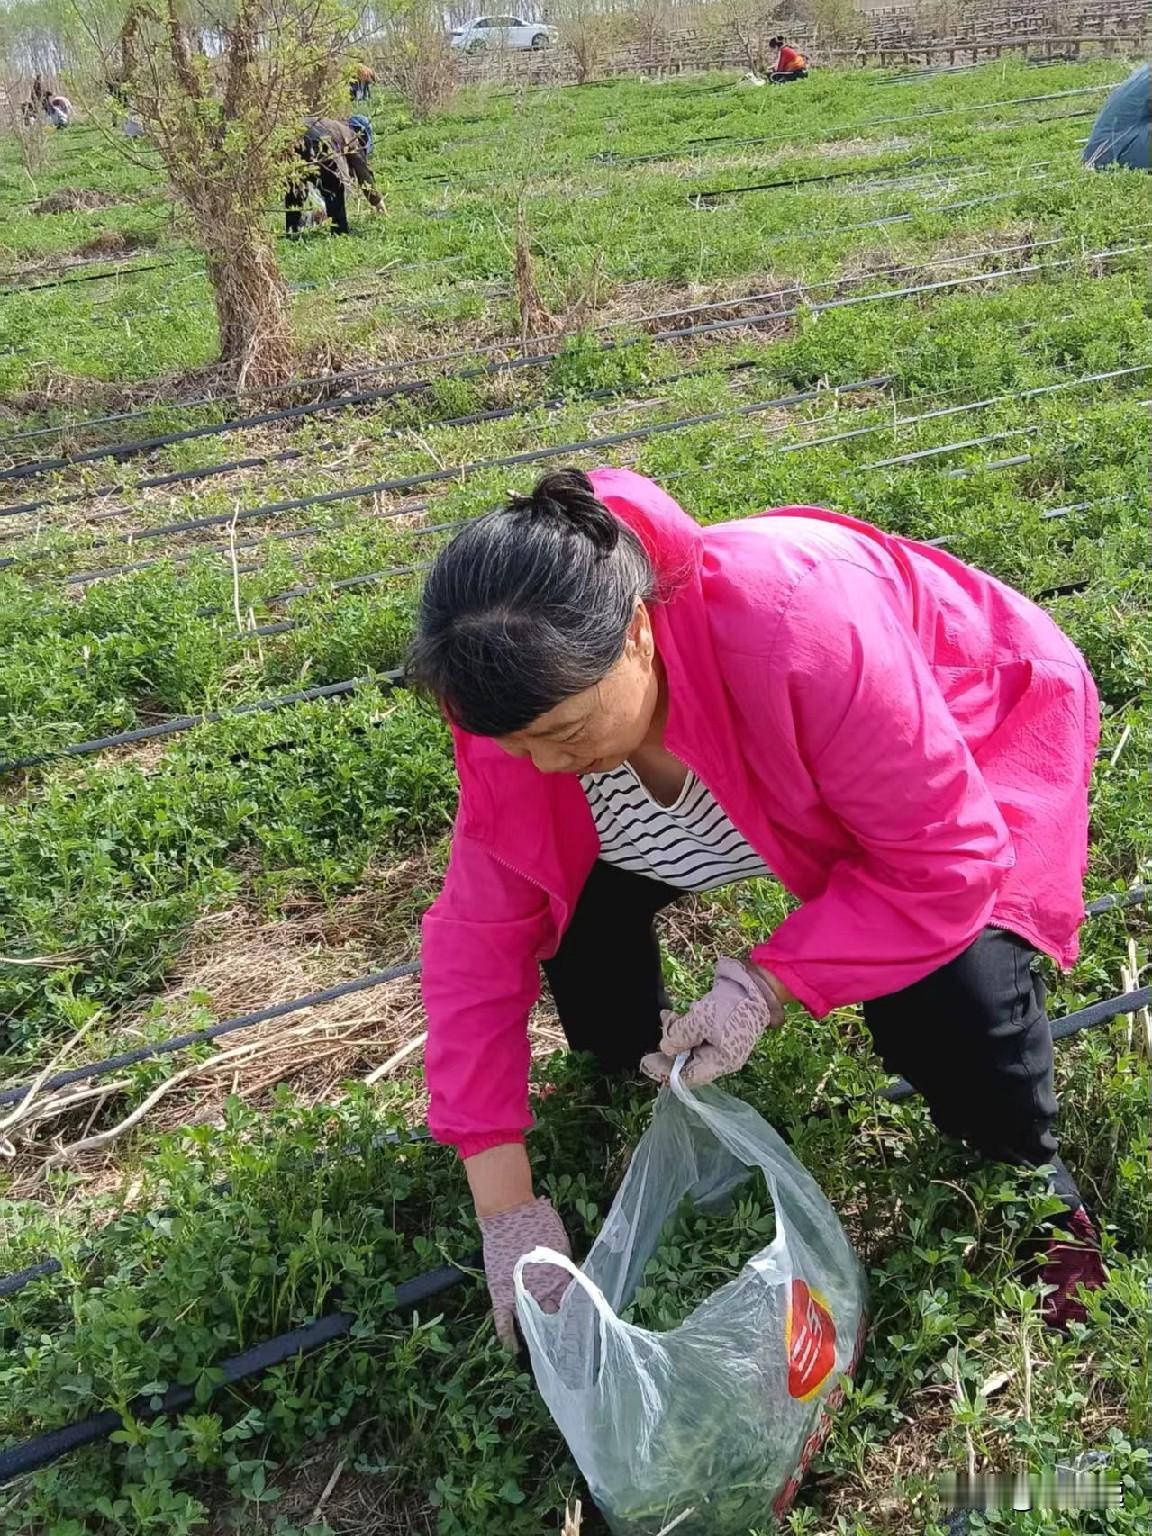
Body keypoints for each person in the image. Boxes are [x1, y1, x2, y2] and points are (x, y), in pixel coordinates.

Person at [409, 467, 1108, 1347]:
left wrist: (769, 982)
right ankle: (636, 1064)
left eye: (563, 733)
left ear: (636, 634)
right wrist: (506, 1213)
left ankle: (1031, 1189)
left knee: (948, 984)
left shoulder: (797, 624)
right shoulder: (512, 706)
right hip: (727, 797)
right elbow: (479, 938)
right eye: (516, 745)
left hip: (950, 737)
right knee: (564, 900)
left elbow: (939, 860)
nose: (543, 765)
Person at [285, 116, 381, 237]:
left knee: (294, 189)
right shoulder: (350, 134)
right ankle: (339, 233)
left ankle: (292, 231)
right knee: (333, 189)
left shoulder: (331, 124)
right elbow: (362, 170)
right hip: (318, 143)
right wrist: (377, 201)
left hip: (290, 140)